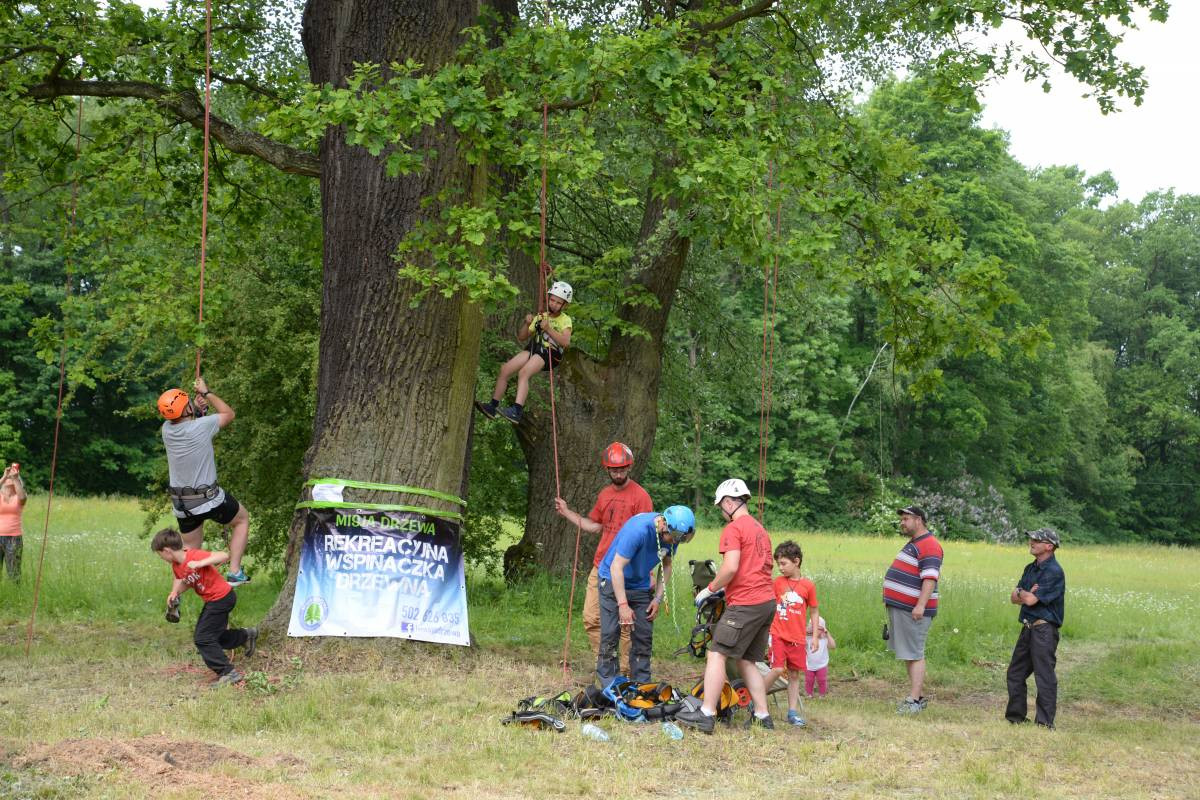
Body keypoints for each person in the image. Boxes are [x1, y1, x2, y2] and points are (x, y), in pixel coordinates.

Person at [676, 478, 776, 733]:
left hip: (746, 602)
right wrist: (723, 586)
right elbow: (753, 566)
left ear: (730, 502)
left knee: (716, 654)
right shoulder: (759, 529)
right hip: (766, 602)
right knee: (746, 661)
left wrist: (709, 589)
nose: (721, 511)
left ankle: (706, 714)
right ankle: (763, 717)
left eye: (722, 506)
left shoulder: (734, 528)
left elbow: (731, 567)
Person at [554, 441, 653, 673]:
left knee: (626, 624)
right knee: (591, 618)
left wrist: (648, 572)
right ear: (607, 469)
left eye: (622, 469)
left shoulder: (641, 497)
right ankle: (608, 662)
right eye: (614, 469)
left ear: (629, 468)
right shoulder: (605, 494)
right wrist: (567, 512)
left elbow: (648, 536)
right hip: (602, 566)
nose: (618, 473)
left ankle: (626, 672)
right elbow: (595, 526)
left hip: (628, 570)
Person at [158, 376, 251, 585]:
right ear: (187, 410)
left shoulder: (167, 430)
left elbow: (187, 421)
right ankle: (235, 571)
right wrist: (206, 393)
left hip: (183, 505)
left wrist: (198, 410)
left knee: (188, 554)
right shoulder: (202, 426)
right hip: (209, 499)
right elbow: (228, 414)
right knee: (242, 520)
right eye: (188, 402)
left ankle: (176, 595)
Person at [595, 505, 695, 688]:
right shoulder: (638, 531)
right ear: (663, 524)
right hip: (612, 579)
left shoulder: (675, 534)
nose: (674, 542)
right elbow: (616, 567)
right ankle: (608, 683)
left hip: (640, 585)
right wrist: (623, 605)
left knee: (643, 634)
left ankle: (641, 683)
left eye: (679, 540)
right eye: (672, 538)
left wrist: (657, 598)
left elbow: (666, 565)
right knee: (611, 633)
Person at [151, 528, 257, 686]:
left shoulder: (193, 555)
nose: (161, 558)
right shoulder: (176, 565)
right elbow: (184, 580)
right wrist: (175, 593)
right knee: (213, 636)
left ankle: (228, 673)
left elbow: (224, 555)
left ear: (167, 551)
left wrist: (200, 563)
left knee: (202, 638)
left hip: (222, 598)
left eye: (160, 555)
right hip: (214, 600)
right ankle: (246, 636)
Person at [475, 281, 573, 425]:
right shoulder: (541, 316)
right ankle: (492, 407)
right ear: (548, 298)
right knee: (505, 369)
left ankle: (516, 411)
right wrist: (527, 324)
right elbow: (522, 337)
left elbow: (566, 342)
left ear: (565, 305)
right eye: (552, 300)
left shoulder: (565, 320)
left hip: (551, 353)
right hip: (535, 347)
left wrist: (549, 330)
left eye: (559, 303)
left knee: (524, 373)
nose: (554, 304)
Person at [883, 505, 944, 714]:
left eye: (906, 519)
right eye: (902, 519)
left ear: (918, 520)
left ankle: (915, 701)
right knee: (909, 653)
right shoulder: (917, 543)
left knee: (915, 653)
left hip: (914, 611)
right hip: (904, 608)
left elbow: (930, 578)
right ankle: (915, 697)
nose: (902, 523)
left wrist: (920, 605)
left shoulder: (930, 545)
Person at [1005, 527, 1066, 729]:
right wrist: (1024, 592)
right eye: (1031, 539)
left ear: (1049, 546)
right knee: (1015, 673)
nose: (1032, 542)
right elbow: (1014, 597)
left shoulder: (1054, 572)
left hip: (1044, 630)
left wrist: (1023, 593)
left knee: (1044, 676)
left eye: (1037, 540)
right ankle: (1016, 717)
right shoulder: (1030, 568)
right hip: (1028, 627)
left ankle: (1045, 722)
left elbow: (1030, 600)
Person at [761, 540, 819, 727]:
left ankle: (792, 712)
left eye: (784, 563)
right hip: (778, 634)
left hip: (798, 639)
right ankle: (756, 698)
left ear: (797, 561)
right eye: (778, 564)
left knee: (794, 675)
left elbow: (814, 611)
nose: (780, 567)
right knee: (777, 669)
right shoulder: (777, 583)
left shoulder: (808, 586)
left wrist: (816, 636)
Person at [0, 463, 27, 580]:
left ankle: (16, 595)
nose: (9, 479)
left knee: (14, 573)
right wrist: (5, 476)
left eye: (12, 478)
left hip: (14, 538)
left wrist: (15, 478)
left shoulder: (19, 496)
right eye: (8, 479)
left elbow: (22, 498)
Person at [804, 616, 835, 698]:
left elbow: (833, 646)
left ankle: (822, 694)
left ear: (822, 630)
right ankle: (809, 694)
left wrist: (827, 634)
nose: (816, 631)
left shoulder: (824, 639)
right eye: (813, 628)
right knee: (809, 680)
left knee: (822, 680)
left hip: (822, 664)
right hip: (809, 664)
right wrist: (805, 633)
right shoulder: (808, 638)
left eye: (818, 629)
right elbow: (802, 644)